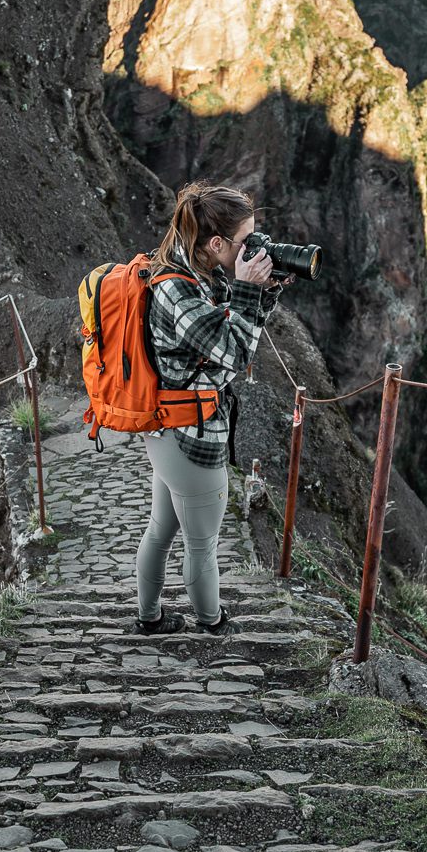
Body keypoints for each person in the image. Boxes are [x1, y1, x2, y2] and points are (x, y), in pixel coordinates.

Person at [135, 180, 281, 636]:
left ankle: (151, 618)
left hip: (167, 432)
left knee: (161, 527)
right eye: (245, 243)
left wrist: (265, 292)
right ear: (216, 243)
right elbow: (235, 354)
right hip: (192, 438)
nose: (251, 250)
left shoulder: (194, 270)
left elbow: (233, 324)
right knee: (202, 544)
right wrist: (250, 292)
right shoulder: (179, 294)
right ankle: (211, 625)